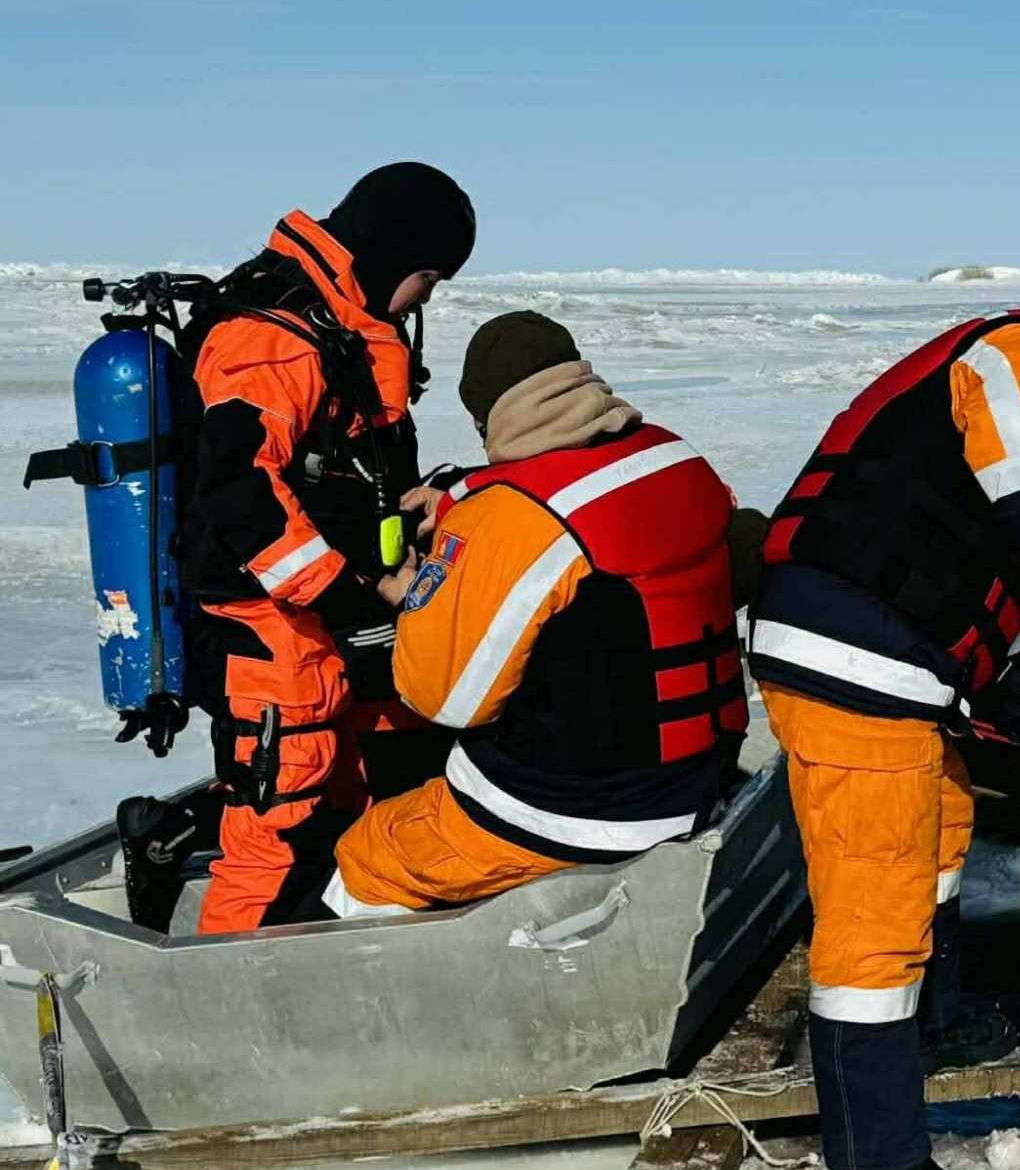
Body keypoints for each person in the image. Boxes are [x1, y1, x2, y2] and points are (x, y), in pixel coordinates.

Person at [747, 301, 1020, 1170]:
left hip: (886, 649)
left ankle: (937, 1022)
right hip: (848, 655)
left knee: (940, 832)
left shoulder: (994, 439)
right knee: (874, 911)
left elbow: (984, 615)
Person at [321, 312, 756, 916]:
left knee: (370, 855)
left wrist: (416, 599)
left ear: (483, 418)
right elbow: (586, 502)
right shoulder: (675, 457)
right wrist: (462, 502)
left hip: (575, 811)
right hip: (700, 776)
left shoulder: (510, 521)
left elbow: (441, 698)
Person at [182, 163, 475, 934]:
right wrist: (346, 591)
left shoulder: (340, 323)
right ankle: (222, 1020)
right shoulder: (273, 335)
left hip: (334, 614)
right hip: (270, 627)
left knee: (375, 790)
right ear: (391, 254)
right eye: (427, 278)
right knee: (278, 836)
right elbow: (242, 494)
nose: (424, 299)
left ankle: (336, 978)